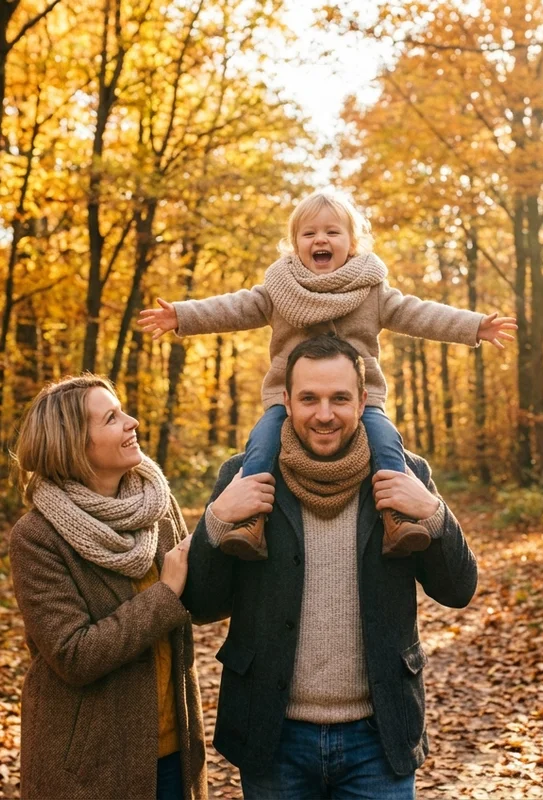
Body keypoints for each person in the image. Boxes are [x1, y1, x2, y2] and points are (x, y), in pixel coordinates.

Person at [138, 188, 515, 561]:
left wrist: (474, 326)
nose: (321, 239)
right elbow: (235, 307)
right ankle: (249, 523)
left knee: (386, 442)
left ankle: (396, 518)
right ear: (295, 244)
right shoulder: (280, 289)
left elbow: (421, 314)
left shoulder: (371, 290)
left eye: (333, 232)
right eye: (309, 233)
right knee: (262, 443)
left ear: (351, 243)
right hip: (288, 402)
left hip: (360, 398)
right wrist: (182, 316)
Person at [181, 334, 478, 800]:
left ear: (363, 400)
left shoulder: (404, 473)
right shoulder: (245, 475)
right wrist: (216, 521)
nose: (324, 414)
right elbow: (201, 604)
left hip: (379, 739)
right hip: (272, 734)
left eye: (339, 398)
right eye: (309, 399)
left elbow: (459, 590)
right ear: (286, 401)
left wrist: (433, 512)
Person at [9, 375, 207, 800]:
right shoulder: (37, 537)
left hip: (176, 751)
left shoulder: (155, 503)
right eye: (112, 418)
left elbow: (199, 600)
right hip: (88, 766)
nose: (132, 421)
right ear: (74, 445)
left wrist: (226, 528)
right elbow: (73, 654)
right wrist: (165, 593)